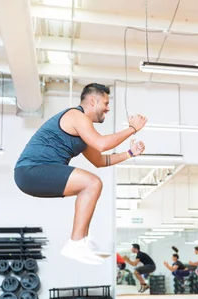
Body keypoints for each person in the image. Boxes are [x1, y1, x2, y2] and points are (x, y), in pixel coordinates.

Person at [14, 83, 148, 265]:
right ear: (93, 101)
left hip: (33, 175)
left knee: (90, 185)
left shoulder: (84, 132)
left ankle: (81, 241)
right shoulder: (76, 116)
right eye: (106, 103)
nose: (108, 109)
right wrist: (133, 129)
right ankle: (76, 242)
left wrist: (130, 153)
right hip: (31, 170)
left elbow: (101, 161)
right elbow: (101, 144)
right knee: (92, 183)